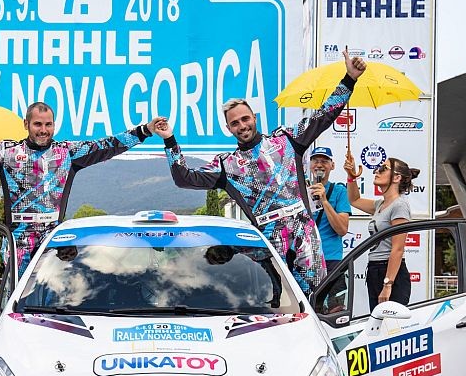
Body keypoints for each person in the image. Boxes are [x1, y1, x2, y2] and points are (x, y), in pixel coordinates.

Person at [162, 50, 366, 295]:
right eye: (235, 123)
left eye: (245, 119)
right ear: (228, 129)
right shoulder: (226, 165)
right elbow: (183, 178)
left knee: (313, 302)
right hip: (269, 243)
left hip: (305, 236)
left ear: (254, 118)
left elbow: (323, 116)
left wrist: (349, 79)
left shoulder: (287, 140)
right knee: (277, 304)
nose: (242, 125)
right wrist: (169, 140)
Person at [0, 102, 166, 275]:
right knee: (15, 301)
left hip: (54, 240)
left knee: (50, 297)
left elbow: (108, 145)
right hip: (18, 239)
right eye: (38, 124)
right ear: (26, 124)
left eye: (48, 124)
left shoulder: (67, 152)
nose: (43, 130)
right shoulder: (7, 152)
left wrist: (144, 130)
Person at [343, 153, 419, 309]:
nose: (377, 171)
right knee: (377, 320)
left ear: (397, 178)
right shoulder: (380, 204)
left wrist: (388, 283)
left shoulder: (399, 205)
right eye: (377, 168)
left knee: (391, 322)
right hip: (374, 269)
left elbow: (398, 249)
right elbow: (354, 200)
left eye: (383, 168)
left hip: (390, 273)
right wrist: (351, 176)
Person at [307, 146, 351, 268]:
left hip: (330, 257)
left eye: (324, 161)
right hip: (305, 257)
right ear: (310, 165)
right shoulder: (301, 190)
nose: (319, 165)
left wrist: (325, 201)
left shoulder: (340, 191)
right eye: (315, 161)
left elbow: (342, 230)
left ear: (332, 165)